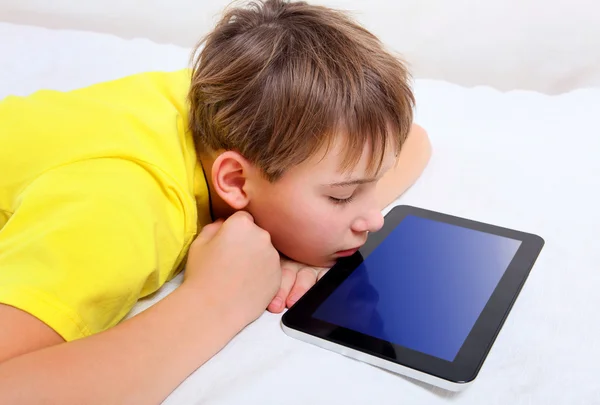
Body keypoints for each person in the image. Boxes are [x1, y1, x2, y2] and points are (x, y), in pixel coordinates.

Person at [0, 0, 431, 403]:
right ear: (235, 179)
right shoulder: (117, 210)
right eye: (341, 195)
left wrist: (303, 237)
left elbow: (414, 140)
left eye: (371, 184)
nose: (373, 219)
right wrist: (213, 301)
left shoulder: (236, 97)